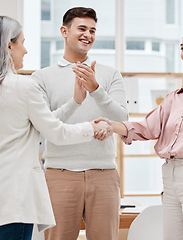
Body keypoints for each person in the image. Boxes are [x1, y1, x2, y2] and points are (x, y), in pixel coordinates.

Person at [97, 26, 183, 239]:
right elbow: (147, 127)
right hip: (170, 180)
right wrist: (112, 125)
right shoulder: (175, 97)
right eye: (182, 47)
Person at [0, 16, 112, 240]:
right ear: (9, 45)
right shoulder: (24, 86)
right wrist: (92, 126)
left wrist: (74, 103)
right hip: (14, 197)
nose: (26, 51)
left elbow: (41, 126)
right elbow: (56, 132)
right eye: (22, 43)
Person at [31, 7, 128, 240]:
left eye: (92, 30)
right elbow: (46, 127)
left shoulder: (109, 74)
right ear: (64, 31)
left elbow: (122, 118)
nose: (88, 35)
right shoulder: (42, 77)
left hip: (104, 173)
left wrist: (96, 90)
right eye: (82, 28)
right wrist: (76, 101)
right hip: (59, 174)